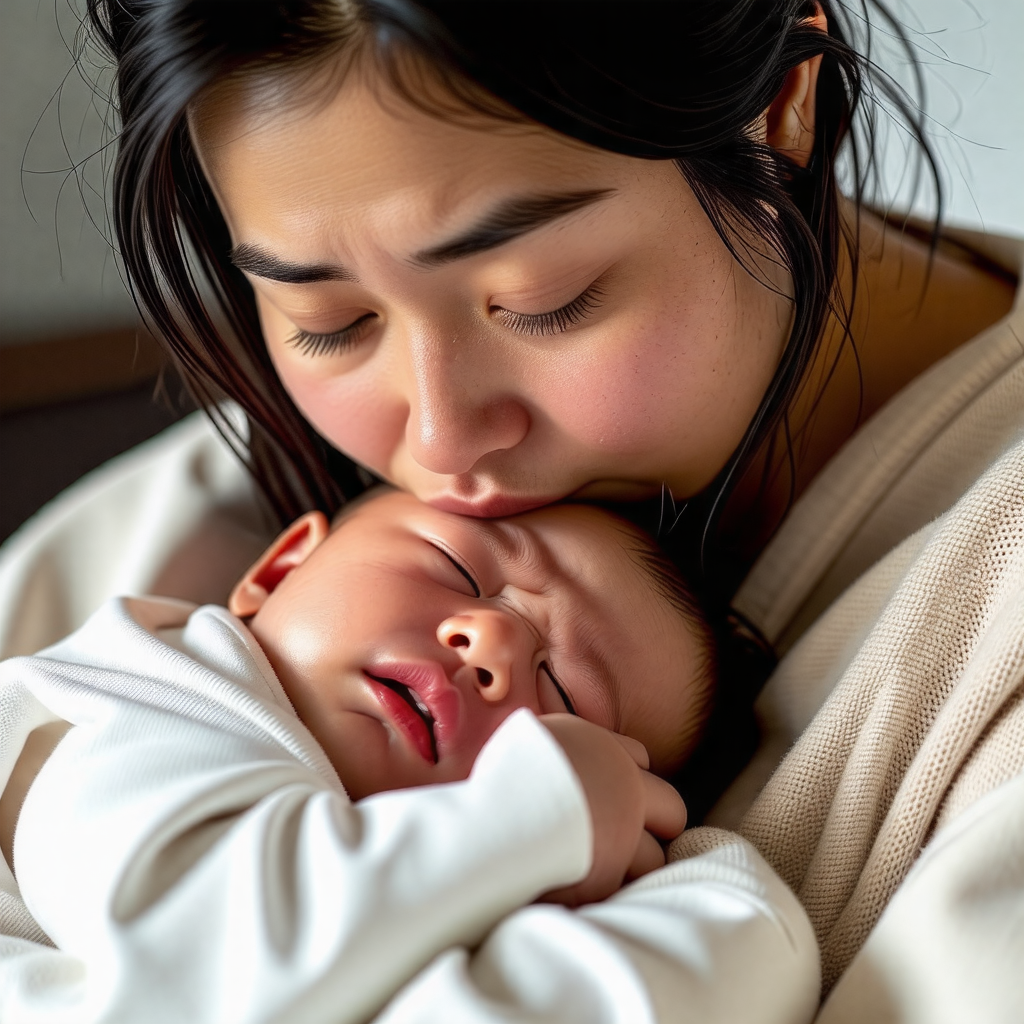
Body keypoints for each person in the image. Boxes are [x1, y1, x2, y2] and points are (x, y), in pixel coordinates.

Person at [1, 0, 1017, 1017]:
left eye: (543, 298)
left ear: (780, 98)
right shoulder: (236, 538)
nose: (439, 442)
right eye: (331, 321)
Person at [0, 491, 819, 1023]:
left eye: (565, 703)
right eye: (458, 567)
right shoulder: (146, 695)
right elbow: (197, 967)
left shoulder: (404, 894)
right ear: (279, 569)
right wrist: (538, 808)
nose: (492, 641)